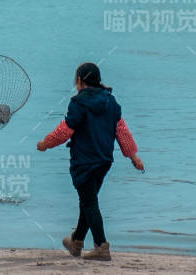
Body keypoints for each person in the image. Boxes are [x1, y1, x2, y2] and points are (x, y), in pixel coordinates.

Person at [36, 62, 143, 261]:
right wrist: (132, 156)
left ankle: (101, 246)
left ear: (79, 81)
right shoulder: (110, 101)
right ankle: (76, 242)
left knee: (89, 202)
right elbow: (122, 130)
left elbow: (65, 130)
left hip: (84, 161)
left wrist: (45, 143)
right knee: (88, 201)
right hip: (104, 161)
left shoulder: (78, 103)